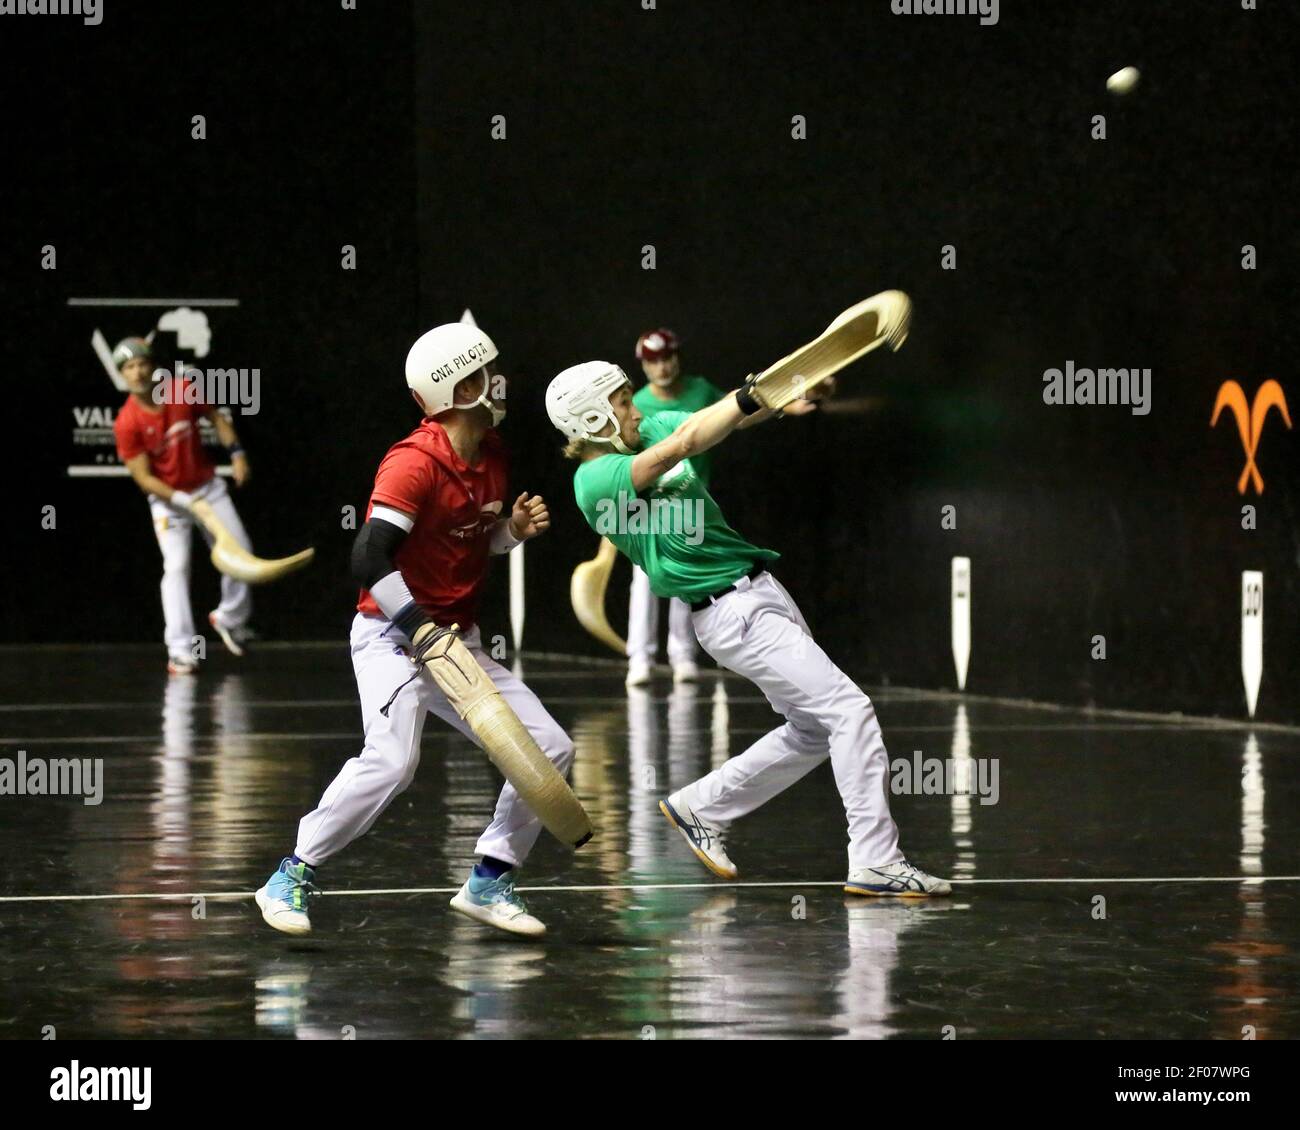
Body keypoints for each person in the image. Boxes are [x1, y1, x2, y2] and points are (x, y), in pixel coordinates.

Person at [545, 360, 951, 897]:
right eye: (621, 401)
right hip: (729, 614)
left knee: (812, 729)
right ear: (591, 418)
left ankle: (701, 806)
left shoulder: (648, 426)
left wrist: (785, 393)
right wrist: (749, 395)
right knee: (850, 711)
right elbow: (687, 439)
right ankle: (875, 859)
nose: (634, 409)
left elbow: (725, 420)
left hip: (760, 591)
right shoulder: (594, 480)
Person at [255, 323, 573, 939]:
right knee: (394, 760)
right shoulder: (413, 463)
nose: (498, 383)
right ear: (456, 389)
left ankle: (489, 878)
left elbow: (471, 540)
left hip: (456, 642)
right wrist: (421, 629)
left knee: (551, 750)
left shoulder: (495, 454)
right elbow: (369, 561)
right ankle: (289, 874)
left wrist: (512, 532)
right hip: (392, 638)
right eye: (484, 375)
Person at [111, 336, 255, 674]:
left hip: (207, 488)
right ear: (123, 375)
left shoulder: (182, 389)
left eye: (142, 363)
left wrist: (236, 453)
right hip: (169, 503)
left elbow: (217, 419)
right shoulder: (127, 422)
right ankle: (180, 649)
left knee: (242, 553)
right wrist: (182, 500)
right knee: (175, 568)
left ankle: (229, 619)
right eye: (129, 368)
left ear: (153, 366)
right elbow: (144, 478)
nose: (138, 372)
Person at [625, 328, 725, 687]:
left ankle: (683, 656)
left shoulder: (702, 391)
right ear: (644, 366)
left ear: (677, 357)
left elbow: (738, 410)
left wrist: (789, 401)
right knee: (645, 581)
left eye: (667, 357)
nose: (662, 367)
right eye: (653, 361)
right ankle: (640, 658)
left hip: (693, 505)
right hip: (648, 508)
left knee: (687, 581)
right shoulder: (635, 404)